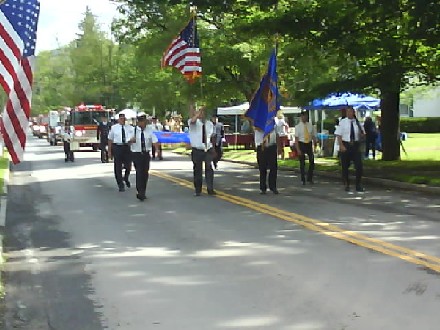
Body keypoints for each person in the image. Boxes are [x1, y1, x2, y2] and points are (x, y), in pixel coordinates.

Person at [335, 107, 365, 192]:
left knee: (359, 166)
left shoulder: (358, 123)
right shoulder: (343, 122)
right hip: (346, 144)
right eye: (347, 112)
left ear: (353, 112)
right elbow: (338, 134)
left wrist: (362, 136)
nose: (349, 113)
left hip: (355, 145)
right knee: (345, 166)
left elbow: (362, 133)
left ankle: (358, 184)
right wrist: (341, 145)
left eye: (350, 112)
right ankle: (346, 183)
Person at [188, 104, 216, 196]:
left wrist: (214, 149)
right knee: (197, 170)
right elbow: (192, 121)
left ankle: (210, 188)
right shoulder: (193, 123)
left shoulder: (209, 124)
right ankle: (198, 189)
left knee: (209, 168)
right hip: (197, 149)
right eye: (199, 111)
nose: (201, 113)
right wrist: (197, 114)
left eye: (203, 111)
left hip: (207, 149)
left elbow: (211, 136)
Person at [129, 112, 158, 201]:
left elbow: (155, 141)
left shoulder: (150, 130)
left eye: (144, 121)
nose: (142, 123)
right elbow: (127, 142)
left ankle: (143, 191)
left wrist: (157, 150)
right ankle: (140, 191)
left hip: (145, 154)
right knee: (139, 172)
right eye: (140, 121)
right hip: (136, 154)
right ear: (138, 122)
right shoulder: (133, 130)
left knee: (145, 173)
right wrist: (131, 140)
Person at [108, 113, 134, 192]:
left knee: (128, 165)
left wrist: (131, 141)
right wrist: (109, 151)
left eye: (124, 118)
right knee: (118, 166)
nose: (123, 120)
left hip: (127, 147)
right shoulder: (114, 128)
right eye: (121, 119)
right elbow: (110, 139)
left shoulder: (130, 128)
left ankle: (126, 178)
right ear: (118, 119)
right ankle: (120, 184)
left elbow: (134, 137)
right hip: (117, 147)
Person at [255, 126, 279, 194]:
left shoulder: (273, 123)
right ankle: (263, 188)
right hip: (262, 147)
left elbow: (277, 135)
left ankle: (273, 187)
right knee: (262, 168)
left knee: (273, 167)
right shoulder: (258, 123)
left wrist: (279, 147)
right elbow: (257, 128)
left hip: (272, 146)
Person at [295, 111, 316, 185]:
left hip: (308, 144)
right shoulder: (298, 127)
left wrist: (315, 143)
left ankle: (309, 178)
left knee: (311, 161)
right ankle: (302, 179)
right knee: (302, 162)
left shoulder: (310, 125)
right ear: (301, 117)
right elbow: (296, 139)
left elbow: (313, 135)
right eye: (303, 116)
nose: (304, 118)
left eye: (306, 116)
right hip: (301, 143)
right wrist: (298, 149)